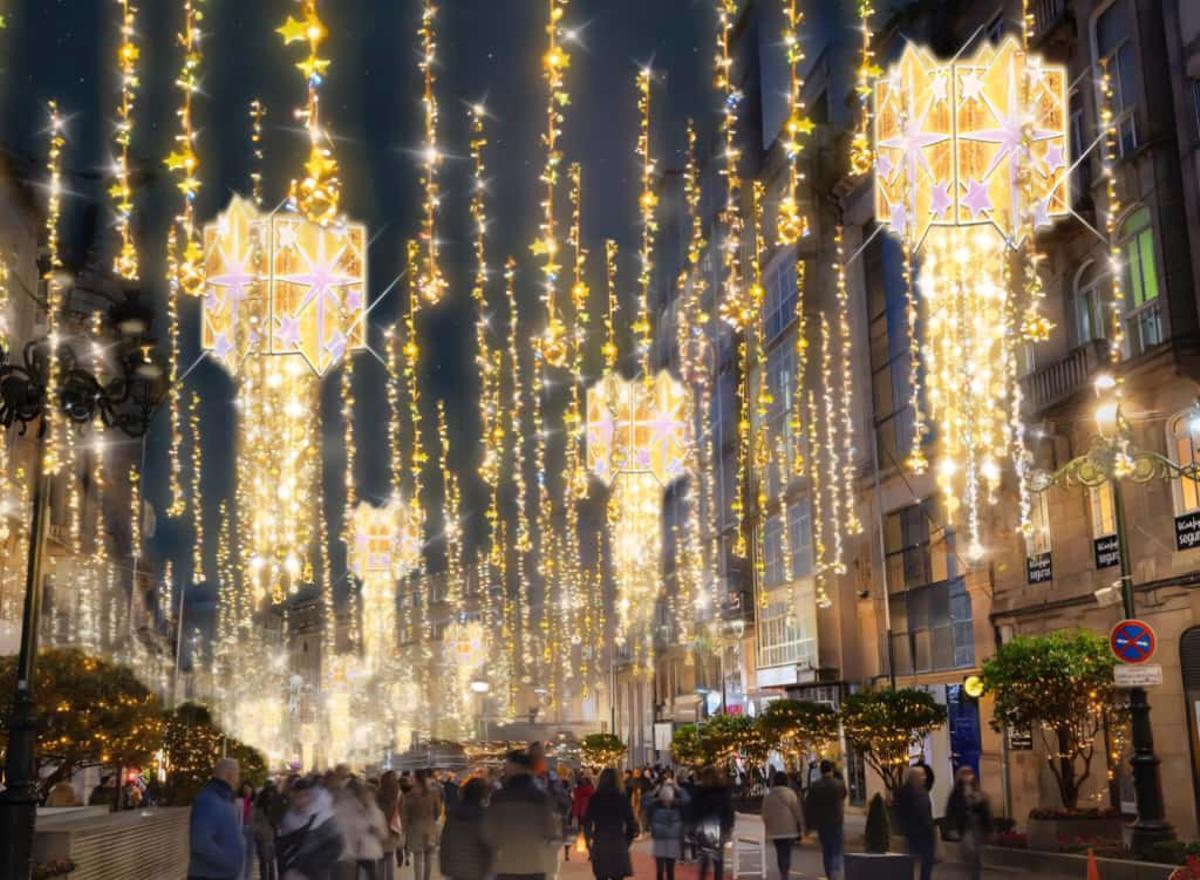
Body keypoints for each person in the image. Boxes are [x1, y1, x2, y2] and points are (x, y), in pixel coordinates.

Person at [485, 751, 561, 880]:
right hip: (535, 865)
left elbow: (489, 832)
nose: (504, 768)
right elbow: (552, 833)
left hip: (506, 865)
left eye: (507, 764)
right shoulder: (541, 797)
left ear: (515, 767)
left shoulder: (499, 797)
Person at [188, 758, 245, 880]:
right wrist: (229, 861)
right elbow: (200, 842)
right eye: (237, 775)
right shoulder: (208, 800)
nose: (238, 780)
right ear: (229, 776)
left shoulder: (224, 800)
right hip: (208, 875)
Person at [277, 778, 344, 880]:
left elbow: (337, 844)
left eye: (305, 795)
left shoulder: (322, 817)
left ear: (310, 796)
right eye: (298, 797)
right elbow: (284, 849)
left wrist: (314, 865)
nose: (302, 800)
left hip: (316, 873)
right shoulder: (289, 819)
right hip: (294, 872)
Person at [582, 768, 637, 880]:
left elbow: (587, 822)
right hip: (617, 841)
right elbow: (631, 824)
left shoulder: (595, 799)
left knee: (601, 875)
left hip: (600, 841)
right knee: (618, 876)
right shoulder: (622, 798)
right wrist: (627, 841)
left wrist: (589, 841)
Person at [439, 777, 492, 880]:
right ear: (482, 796)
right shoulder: (485, 816)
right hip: (477, 869)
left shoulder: (452, 815)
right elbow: (489, 844)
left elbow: (445, 841)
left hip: (455, 868)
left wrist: (445, 866)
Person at [945, 767, 992, 880]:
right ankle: (971, 873)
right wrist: (952, 828)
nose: (968, 776)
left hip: (976, 825)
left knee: (976, 853)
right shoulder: (956, 793)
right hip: (965, 826)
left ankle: (975, 875)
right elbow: (951, 810)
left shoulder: (976, 789)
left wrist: (979, 801)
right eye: (965, 774)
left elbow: (985, 810)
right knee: (970, 851)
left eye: (969, 774)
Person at [804, 761, 847, 880]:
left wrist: (808, 826)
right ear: (831, 770)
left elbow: (809, 807)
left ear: (821, 771)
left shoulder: (815, 786)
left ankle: (830, 873)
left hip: (822, 822)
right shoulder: (838, 784)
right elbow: (844, 794)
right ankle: (836, 870)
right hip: (837, 820)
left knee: (827, 849)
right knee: (837, 848)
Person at [690, 766, 734, 880]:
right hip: (719, 829)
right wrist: (728, 828)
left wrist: (692, 827)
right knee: (718, 860)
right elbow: (728, 811)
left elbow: (694, 810)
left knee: (704, 860)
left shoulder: (700, 792)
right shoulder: (723, 791)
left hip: (703, 828)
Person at [896, 766, 936, 880]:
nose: (924, 778)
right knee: (910, 861)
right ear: (914, 777)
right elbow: (902, 813)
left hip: (926, 832)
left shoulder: (923, 791)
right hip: (914, 833)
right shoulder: (905, 792)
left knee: (926, 863)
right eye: (922, 775)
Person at [762, 771, 803, 880]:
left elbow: (765, 814)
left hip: (775, 831)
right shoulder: (790, 794)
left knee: (780, 852)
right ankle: (785, 871)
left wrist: (767, 826)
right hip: (789, 829)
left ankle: (783, 872)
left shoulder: (769, 796)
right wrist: (802, 825)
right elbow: (797, 811)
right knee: (787, 851)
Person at [402, 770, 442, 880]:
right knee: (429, 858)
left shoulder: (410, 795)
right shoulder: (433, 793)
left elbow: (406, 814)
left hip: (415, 829)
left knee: (418, 859)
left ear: (415, 779)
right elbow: (438, 812)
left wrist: (405, 829)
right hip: (430, 828)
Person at [647, 779, 685, 880]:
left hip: (661, 841)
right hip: (670, 841)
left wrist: (654, 791)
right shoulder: (677, 807)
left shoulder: (655, 807)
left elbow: (645, 801)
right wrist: (678, 788)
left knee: (664, 871)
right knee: (668, 871)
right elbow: (687, 799)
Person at [375, 772, 401, 880]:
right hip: (393, 827)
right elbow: (402, 811)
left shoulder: (378, 794)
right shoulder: (398, 794)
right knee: (390, 857)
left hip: (381, 827)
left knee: (381, 859)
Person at [252, 783, 280, 880]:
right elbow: (253, 820)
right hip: (262, 837)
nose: (270, 795)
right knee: (264, 861)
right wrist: (259, 831)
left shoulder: (276, 804)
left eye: (272, 793)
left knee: (271, 862)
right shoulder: (259, 805)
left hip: (272, 837)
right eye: (269, 793)